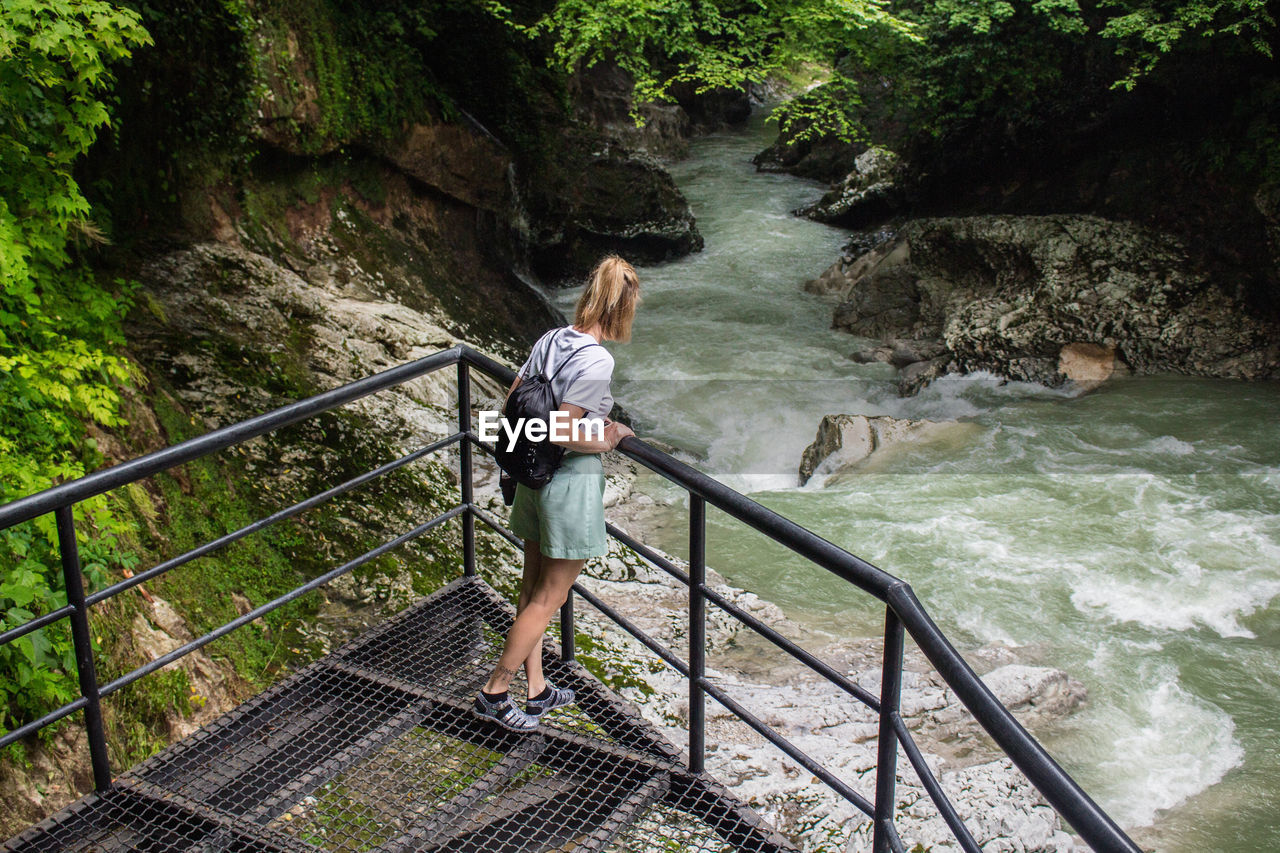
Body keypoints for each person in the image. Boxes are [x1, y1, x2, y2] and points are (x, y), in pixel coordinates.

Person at [473, 255, 640, 732]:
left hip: (532, 477)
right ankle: (495, 692)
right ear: (623, 307)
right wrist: (608, 438)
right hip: (568, 481)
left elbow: (513, 405)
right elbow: (563, 432)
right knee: (550, 596)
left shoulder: (550, 338)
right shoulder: (597, 358)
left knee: (530, 587)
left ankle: (538, 688)